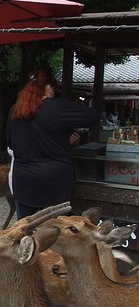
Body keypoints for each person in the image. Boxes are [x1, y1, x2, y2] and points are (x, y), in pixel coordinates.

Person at [7, 67, 98, 219]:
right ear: (49, 87)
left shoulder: (14, 111)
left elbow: (11, 144)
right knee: (56, 235)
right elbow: (92, 117)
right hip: (54, 183)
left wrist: (60, 140)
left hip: (23, 181)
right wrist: (64, 140)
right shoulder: (56, 107)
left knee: (25, 232)